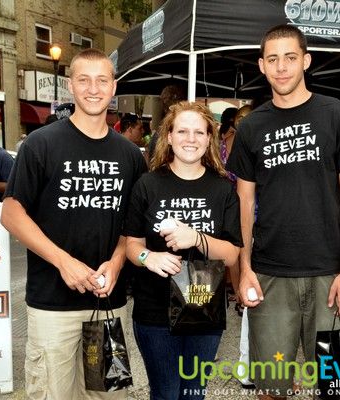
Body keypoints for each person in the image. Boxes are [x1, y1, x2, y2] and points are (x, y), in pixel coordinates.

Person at [226, 24, 340, 399]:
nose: (282, 67)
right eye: (272, 59)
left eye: (290, 57)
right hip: (270, 275)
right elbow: (243, 201)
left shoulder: (338, 116)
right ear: (261, 65)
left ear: (306, 61)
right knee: (271, 388)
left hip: (330, 272)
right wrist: (244, 269)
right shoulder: (252, 127)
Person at [0, 49, 147, 400]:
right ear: (71, 86)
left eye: (102, 80)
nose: (93, 89)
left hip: (107, 304)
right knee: (53, 394)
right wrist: (62, 261)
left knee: (106, 395)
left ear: (114, 87)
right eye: (84, 80)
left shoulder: (129, 155)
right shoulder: (41, 143)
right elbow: (11, 212)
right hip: (53, 305)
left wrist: (116, 262)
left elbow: (133, 227)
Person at [124, 101, 241, 399]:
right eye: (183, 131)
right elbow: (130, 246)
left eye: (199, 132)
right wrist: (148, 257)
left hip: (204, 309)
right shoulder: (147, 186)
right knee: (165, 393)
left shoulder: (223, 189)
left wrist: (196, 238)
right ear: (170, 136)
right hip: (154, 313)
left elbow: (231, 254)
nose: (191, 139)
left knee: (193, 393)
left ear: (209, 139)